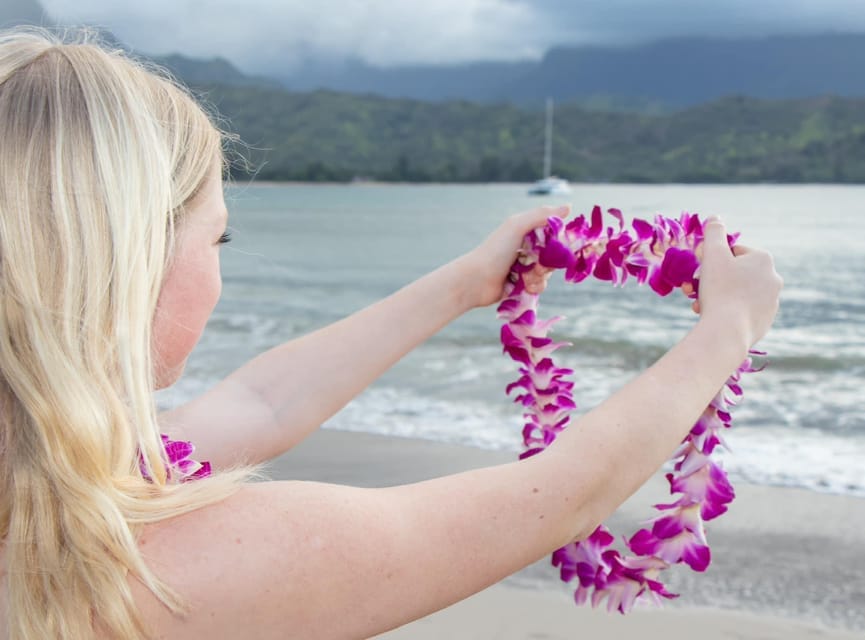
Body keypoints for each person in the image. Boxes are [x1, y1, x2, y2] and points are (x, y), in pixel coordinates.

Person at [0, 27, 782, 640]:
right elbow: (555, 500)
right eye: (217, 240)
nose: (219, 268)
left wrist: (465, 284)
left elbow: (264, 402)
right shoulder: (170, 567)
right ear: (131, 262)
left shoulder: (42, 488)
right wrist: (728, 328)